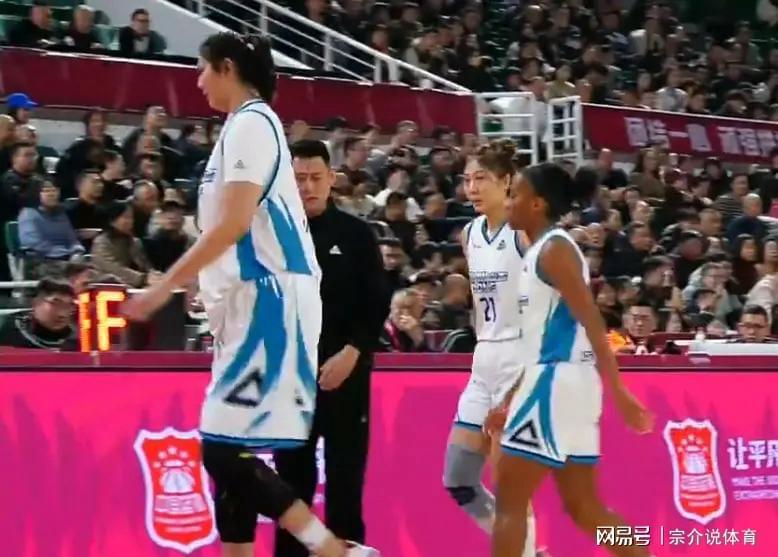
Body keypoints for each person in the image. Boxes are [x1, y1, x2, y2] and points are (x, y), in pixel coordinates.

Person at [122, 32, 378, 557]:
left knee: (222, 451)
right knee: (229, 454)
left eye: (202, 68)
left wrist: (164, 285)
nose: (197, 80)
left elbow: (235, 223)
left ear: (227, 67)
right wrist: (208, 286)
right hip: (246, 301)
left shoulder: (253, 124)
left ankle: (332, 549)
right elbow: (235, 230)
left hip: (270, 301)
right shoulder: (239, 129)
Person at [491, 162, 654, 557]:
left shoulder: (555, 249)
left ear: (537, 204)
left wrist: (619, 390)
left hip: (555, 383)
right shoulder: (542, 250)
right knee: (584, 507)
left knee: (510, 502)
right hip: (566, 385)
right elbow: (539, 342)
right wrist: (511, 396)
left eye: (515, 194)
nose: (508, 202)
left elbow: (593, 321)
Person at [273, 139, 387, 557]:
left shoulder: (356, 235)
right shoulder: (273, 234)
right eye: (298, 178)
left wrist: (353, 352)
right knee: (290, 490)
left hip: (346, 372)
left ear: (331, 179)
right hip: (290, 377)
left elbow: (376, 302)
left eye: (315, 177)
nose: (307, 186)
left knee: (345, 486)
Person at [442, 140, 536, 557]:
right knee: (459, 479)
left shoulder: (526, 232)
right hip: (485, 361)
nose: (472, 188)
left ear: (506, 181)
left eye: (481, 178)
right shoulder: (470, 234)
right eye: (467, 180)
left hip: (520, 360)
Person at [0, 278, 78, 350]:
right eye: (55, 304)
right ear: (35, 303)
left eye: (69, 305)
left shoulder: (78, 337)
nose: (62, 314)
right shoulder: (12, 329)